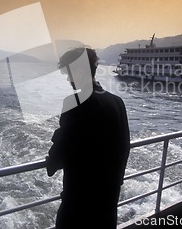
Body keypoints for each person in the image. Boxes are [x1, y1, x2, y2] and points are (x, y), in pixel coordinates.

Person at [46, 47, 130, 228]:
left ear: (80, 70)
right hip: (108, 203)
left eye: (69, 74)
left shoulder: (73, 103)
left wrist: (51, 162)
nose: (69, 80)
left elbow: (59, 154)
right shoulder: (117, 102)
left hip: (79, 206)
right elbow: (124, 147)